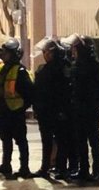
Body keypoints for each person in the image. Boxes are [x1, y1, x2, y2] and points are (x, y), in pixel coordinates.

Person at [64, 33, 99, 182]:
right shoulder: (75, 66)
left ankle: (97, 170)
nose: (73, 52)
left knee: (93, 140)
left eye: (76, 49)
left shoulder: (96, 67)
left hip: (90, 109)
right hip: (78, 109)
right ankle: (83, 170)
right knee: (80, 140)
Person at [0, 37, 33, 179]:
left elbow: (29, 93)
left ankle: (24, 168)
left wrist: (20, 108)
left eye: (6, 52)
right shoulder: (4, 69)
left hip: (15, 112)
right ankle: (6, 164)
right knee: (5, 139)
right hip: (3, 111)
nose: (3, 55)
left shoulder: (20, 71)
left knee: (21, 141)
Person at [31, 37, 72, 179]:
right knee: (46, 141)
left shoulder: (63, 68)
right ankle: (45, 167)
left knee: (61, 140)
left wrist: (63, 110)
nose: (45, 55)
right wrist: (37, 108)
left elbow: (64, 92)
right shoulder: (43, 69)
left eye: (47, 52)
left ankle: (61, 168)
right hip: (45, 111)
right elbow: (38, 90)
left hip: (57, 111)